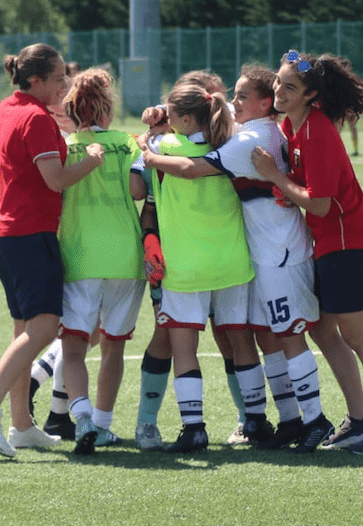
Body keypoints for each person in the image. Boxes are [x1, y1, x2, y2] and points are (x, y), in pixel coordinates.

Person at [143, 65, 336, 453]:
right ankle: (289, 420)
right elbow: (212, 115)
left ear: (264, 103)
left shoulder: (252, 138)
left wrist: (150, 155)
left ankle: (316, 420)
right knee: (268, 337)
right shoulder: (251, 128)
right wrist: (163, 113)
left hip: (279, 251)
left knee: (289, 335)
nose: (234, 102)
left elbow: (193, 168)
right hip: (258, 253)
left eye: (243, 95)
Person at [252, 50, 363, 455]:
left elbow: (320, 204)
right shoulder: (291, 125)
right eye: (278, 82)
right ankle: (358, 422)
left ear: (311, 95)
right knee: (322, 329)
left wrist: (276, 178)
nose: (279, 91)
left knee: (359, 336)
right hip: (326, 243)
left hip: (345, 241)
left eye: (290, 87)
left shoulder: (317, 131)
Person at [0, 43, 104, 459]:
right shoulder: (37, 118)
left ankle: (22, 425)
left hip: (3, 232)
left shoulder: (4, 108)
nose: (64, 85)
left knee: (24, 328)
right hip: (30, 233)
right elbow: (56, 180)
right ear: (35, 79)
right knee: (43, 326)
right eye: (58, 78)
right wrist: (93, 159)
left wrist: (16, 188)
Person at [138, 83, 253, 453]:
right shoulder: (231, 142)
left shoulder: (164, 146)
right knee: (239, 340)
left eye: (172, 115)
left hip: (186, 266)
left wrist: (154, 128)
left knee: (184, 346)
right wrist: (167, 115)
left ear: (185, 119)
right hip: (232, 262)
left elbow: (146, 148)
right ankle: (255, 420)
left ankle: (194, 428)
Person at [55, 67, 146, 454]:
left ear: (72, 110)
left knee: (74, 348)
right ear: (107, 108)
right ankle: (104, 425)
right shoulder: (126, 142)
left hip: (80, 257)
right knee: (113, 346)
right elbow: (138, 191)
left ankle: (82, 418)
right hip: (125, 256)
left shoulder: (64, 146)